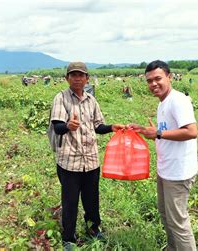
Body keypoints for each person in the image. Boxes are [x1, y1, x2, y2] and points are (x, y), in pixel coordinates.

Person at [50, 62, 125, 249]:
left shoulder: (91, 101)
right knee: (70, 201)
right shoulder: (61, 98)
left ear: (87, 78)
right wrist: (68, 125)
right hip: (69, 161)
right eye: (73, 75)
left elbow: (98, 126)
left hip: (91, 160)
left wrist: (111, 128)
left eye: (81, 75)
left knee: (92, 198)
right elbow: (57, 127)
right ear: (67, 78)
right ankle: (68, 237)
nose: (77, 78)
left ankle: (93, 228)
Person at [130, 60, 198, 250]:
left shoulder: (178, 101)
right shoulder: (163, 103)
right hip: (166, 170)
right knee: (165, 215)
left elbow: (191, 131)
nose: (153, 84)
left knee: (178, 223)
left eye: (158, 78)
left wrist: (159, 133)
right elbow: (165, 133)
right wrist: (146, 131)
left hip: (178, 173)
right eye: (149, 81)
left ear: (169, 77)